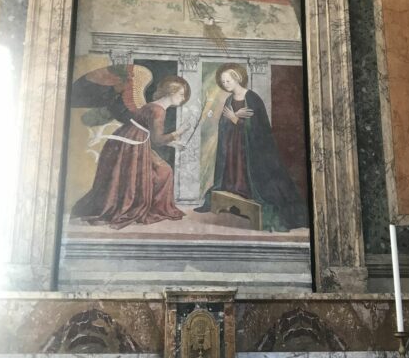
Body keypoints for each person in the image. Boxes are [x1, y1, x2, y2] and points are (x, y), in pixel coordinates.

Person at [195, 63, 308, 232]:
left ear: (237, 78)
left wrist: (235, 118)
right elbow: (223, 123)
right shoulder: (229, 99)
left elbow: (258, 128)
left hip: (250, 148)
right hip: (233, 145)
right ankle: (235, 188)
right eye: (223, 82)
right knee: (233, 169)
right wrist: (234, 118)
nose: (225, 84)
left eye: (228, 80)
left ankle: (247, 190)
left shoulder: (252, 98)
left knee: (247, 171)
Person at [71, 76, 190, 228]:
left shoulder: (153, 106)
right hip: (131, 146)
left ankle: (145, 203)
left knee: (163, 170)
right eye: (181, 94)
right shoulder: (159, 111)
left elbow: (149, 135)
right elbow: (157, 139)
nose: (183, 98)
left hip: (128, 141)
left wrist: (174, 144)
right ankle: (146, 206)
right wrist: (178, 132)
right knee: (163, 171)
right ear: (170, 92)